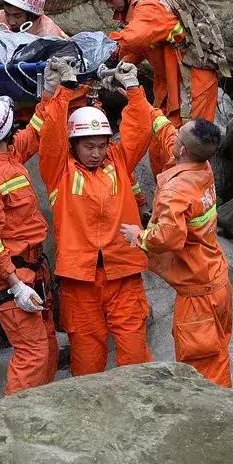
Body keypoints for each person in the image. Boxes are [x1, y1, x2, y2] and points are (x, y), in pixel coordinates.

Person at [37, 58, 154, 375]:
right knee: (87, 360)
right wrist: (64, 91)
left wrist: (133, 89)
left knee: (135, 356)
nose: (97, 152)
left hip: (123, 274)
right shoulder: (59, 171)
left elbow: (140, 129)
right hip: (80, 281)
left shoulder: (118, 161)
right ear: (74, 145)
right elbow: (50, 137)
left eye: (102, 145)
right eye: (89, 146)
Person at [121, 114, 232, 387]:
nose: (174, 136)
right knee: (218, 351)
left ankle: (213, 416)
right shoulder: (201, 168)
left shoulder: (177, 190)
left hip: (197, 295)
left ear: (182, 150)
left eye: (178, 137)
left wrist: (139, 237)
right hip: (217, 281)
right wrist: (141, 100)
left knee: (202, 365)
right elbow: (170, 133)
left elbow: (168, 237)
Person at [0, 95, 58, 395]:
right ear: (4, 130)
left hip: (33, 269)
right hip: (15, 274)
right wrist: (15, 285)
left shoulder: (0, 156)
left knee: (48, 348)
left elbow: (34, 133)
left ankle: (41, 412)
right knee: (33, 355)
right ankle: (17, 420)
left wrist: (51, 94)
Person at [86, 0, 219, 127]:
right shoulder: (137, 7)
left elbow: (135, 37)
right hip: (170, 81)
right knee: (160, 141)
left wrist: (102, 51)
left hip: (193, 84)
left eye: (110, 0)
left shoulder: (151, 5)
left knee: (187, 145)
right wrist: (118, 65)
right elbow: (141, 47)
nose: (108, 6)